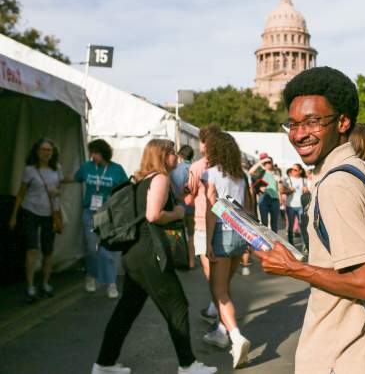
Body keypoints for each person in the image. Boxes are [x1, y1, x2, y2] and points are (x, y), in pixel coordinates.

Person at [256, 66, 365, 373]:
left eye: (312, 122)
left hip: (343, 354)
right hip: (362, 347)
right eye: (292, 124)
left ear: (343, 122)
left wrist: (294, 268)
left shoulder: (337, 184)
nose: (299, 134)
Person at [92, 139, 216, 374]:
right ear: (161, 155)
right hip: (150, 255)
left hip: (135, 254)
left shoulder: (143, 179)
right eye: (171, 153)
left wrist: (179, 201)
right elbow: (153, 215)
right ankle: (188, 365)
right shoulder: (160, 179)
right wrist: (178, 212)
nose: (176, 157)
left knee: (127, 309)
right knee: (177, 305)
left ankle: (104, 363)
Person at [201, 132, 253, 367]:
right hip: (241, 232)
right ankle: (222, 332)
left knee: (218, 291)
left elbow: (213, 209)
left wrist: (209, 242)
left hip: (222, 233)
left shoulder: (211, 174)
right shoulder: (243, 176)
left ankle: (235, 336)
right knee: (224, 289)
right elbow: (250, 210)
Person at [9, 138, 63, 302]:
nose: (46, 153)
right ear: (37, 152)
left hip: (49, 213)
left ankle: (45, 284)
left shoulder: (57, 169)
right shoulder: (29, 170)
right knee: (32, 249)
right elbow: (21, 193)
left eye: (49, 150)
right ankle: (30, 286)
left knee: (48, 250)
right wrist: (14, 215)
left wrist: (58, 193)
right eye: (43, 149)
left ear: (52, 153)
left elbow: (58, 189)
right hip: (30, 211)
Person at [73, 139, 128, 298]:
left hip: (107, 215)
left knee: (106, 251)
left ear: (103, 153)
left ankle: (110, 283)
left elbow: (125, 189)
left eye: (95, 153)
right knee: (91, 249)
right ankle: (91, 275)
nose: (92, 156)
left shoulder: (116, 170)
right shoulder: (87, 167)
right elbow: (74, 178)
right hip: (90, 213)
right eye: (91, 153)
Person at [185, 125, 220, 325]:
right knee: (220, 272)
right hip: (225, 223)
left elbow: (189, 199)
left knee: (210, 272)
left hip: (202, 222)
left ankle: (219, 313)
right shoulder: (229, 165)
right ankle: (215, 308)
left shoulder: (198, 167)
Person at [170, 145, 196, 268]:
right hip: (192, 206)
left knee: (176, 234)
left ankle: (177, 260)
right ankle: (191, 262)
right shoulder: (195, 169)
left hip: (177, 206)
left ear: (180, 155)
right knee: (191, 235)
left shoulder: (174, 169)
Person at [249, 154, 280, 233]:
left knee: (274, 224)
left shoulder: (276, 172)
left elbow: (278, 186)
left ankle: (275, 243)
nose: (267, 164)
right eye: (266, 162)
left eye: (269, 162)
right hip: (264, 198)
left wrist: (281, 197)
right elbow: (250, 172)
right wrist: (261, 161)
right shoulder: (261, 171)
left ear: (272, 163)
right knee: (264, 223)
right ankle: (266, 243)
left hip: (275, 199)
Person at [282, 163, 309, 246]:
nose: (293, 171)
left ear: (300, 171)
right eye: (292, 169)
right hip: (290, 206)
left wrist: (307, 189)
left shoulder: (304, 180)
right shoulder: (287, 179)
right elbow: (282, 191)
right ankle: (291, 245)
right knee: (290, 226)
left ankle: (305, 245)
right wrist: (289, 190)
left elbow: (310, 191)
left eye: (295, 170)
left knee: (303, 227)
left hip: (301, 206)